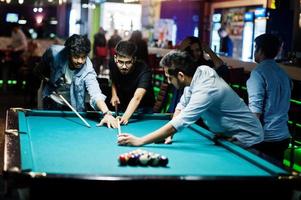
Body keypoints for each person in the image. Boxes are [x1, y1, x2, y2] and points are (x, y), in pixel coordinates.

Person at [117, 50, 264, 148]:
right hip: (230, 135)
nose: (168, 82)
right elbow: (180, 107)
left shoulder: (206, 89)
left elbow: (181, 121)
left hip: (249, 137)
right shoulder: (197, 75)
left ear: (180, 75)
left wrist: (141, 141)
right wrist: (170, 136)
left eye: (169, 77)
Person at [35, 34, 118, 128]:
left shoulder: (88, 70)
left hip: (74, 105)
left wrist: (106, 113)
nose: (80, 61)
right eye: (76, 57)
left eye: (83, 57)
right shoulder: (53, 53)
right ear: (68, 53)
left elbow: (96, 94)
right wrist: (45, 78)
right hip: (52, 99)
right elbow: (39, 70)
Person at [246, 33, 292, 162]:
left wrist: (245, 135)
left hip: (265, 139)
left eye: (255, 47)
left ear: (260, 50)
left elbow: (255, 112)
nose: (255, 51)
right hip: (282, 137)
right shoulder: (283, 74)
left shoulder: (258, 73)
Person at [168, 36, 229, 113]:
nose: (195, 53)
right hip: (182, 104)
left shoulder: (205, 65)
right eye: (191, 51)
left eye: (197, 50)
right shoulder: (182, 65)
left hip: (199, 105)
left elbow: (221, 67)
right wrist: (181, 48)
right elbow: (172, 65)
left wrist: (209, 51)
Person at [109, 40, 155, 125]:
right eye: (121, 62)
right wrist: (114, 94)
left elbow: (138, 97)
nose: (124, 66)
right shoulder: (112, 63)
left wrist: (124, 118)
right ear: (115, 58)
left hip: (143, 107)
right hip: (125, 103)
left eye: (128, 62)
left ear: (134, 59)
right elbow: (113, 78)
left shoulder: (144, 70)